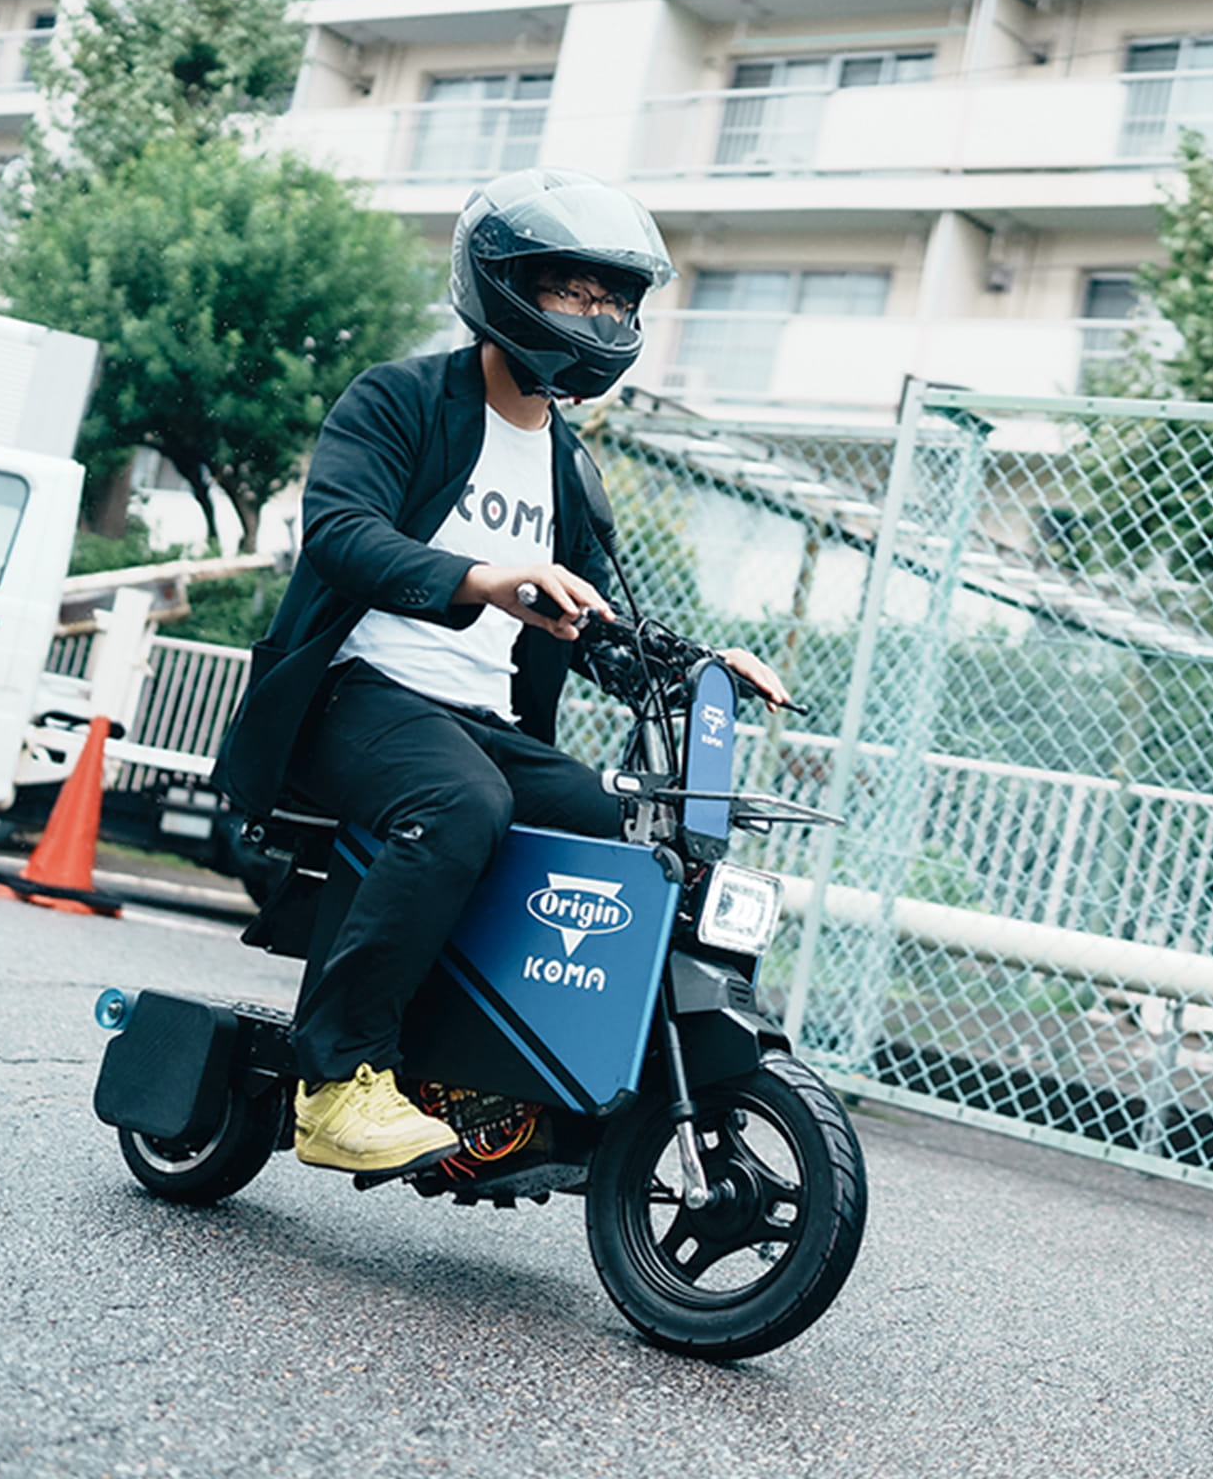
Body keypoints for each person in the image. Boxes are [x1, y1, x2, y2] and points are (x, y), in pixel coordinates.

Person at [212, 167, 788, 1177]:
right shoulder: (398, 400)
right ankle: (337, 1080)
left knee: (626, 836)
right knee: (459, 804)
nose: (598, 312)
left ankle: (506, 1069)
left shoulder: (568, 463)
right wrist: (481, 579)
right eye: (574, 289)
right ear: (505, 282)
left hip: (477, 716)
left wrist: (698, 664)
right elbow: (340, 536)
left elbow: (592, 623)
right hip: (356, 693)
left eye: (614, 295)